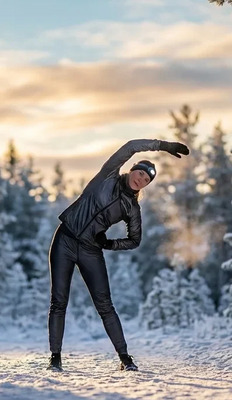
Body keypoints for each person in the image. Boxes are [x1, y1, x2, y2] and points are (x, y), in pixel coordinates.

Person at [46, 139, 190, 372]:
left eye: (146, 180)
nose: (141, 179)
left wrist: (110, 244)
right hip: (65, 239)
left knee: (105, 305)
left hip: (91, 249)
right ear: (131, 169)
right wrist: (164, 146)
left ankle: (125, 358)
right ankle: (55, 357)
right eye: (140, 173)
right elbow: (131, 146)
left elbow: (135, 240)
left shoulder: (132, 208)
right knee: (59, 301)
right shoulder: (108, 175)